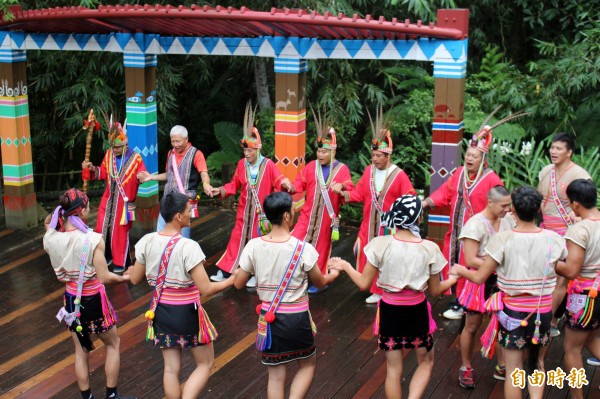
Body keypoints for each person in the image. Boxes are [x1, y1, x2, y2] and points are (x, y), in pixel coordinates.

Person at [329, 194, 457, 399]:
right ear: (419, 217)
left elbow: (363, 283)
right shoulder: (429, 248)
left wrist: (345, 266)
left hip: (389, 311)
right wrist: (455, 278)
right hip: (417, 311)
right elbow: (435, 291)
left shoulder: (380, 244)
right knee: (425, 362)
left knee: (393, 370)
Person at [452, 186, 567, 399]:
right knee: (537, 364)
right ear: (539, 208)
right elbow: (563, 267)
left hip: (513, 312)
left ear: (513, 209)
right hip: (542, 311)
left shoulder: (503, 239)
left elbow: (478, 276)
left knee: (514, 371)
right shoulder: (554, 239)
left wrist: (459, 270)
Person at [127, 192, 234, 399]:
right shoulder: (188, 247)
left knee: (170, 368)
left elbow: (134, 279)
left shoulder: (147, 241)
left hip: (160, 311)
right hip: (186, 312)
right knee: (205, 363)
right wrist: (231, 279)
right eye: (188, 211)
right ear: (178, 216)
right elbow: (206, 289)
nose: (190, 215)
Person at [234, 191, 340, 399]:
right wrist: (335, 273)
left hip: (269, 320)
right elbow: (320, 282)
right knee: (307, 364)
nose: (295, 214)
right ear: (286, 216)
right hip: (297, 319)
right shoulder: (303, 249)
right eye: (293, 210)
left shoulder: (253, 246)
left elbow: (238, 283)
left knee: (275, 376)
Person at [43, 188, 135, 399]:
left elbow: (48, 223)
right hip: (93, 298)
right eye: (88, 208)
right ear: (82, 211)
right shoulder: (92, 239)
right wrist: (125, 277)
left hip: (70, 300)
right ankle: (111, 396)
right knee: (113, 344)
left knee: (81, 351)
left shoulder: (50, 238)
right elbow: (104, 277)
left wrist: (59, 213)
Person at [423, 115, 505, 320]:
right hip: (457, 231)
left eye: (474, 156)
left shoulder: (492, 179)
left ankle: (466, 303)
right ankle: (459, 299)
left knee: (470, 264)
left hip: (479, 234)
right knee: (455, 262)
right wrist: (425, 203)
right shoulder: (459, 173)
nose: (469, 159)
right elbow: (444, 193)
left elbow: (501, 204)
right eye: (468, 154)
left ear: (483, 159)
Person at [210, 103, 294, 287]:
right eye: (245, 150)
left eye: (250, 150)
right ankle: (227, 270)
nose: (246, 154)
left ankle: (257, 274)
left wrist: (286, 183)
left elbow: (278, 180)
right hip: (243, 212)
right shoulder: (242, 165)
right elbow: (234, 184)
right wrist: (221, 190)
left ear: (258, 149)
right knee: (237, 239)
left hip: (261, 215)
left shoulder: (268, 165)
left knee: (258, 243)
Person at [339, 106, 415, 303]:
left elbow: (410, 198)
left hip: (389, 228)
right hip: (368, 225)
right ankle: (374, 288)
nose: (374, 159)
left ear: (388, 155)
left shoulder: (398, 175)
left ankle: (383, 290)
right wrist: (342, 193)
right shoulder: (368, 171)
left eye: (378, 156)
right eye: (373, 156)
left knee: (386, 258)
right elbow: (358, 194)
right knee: (366, 252)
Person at [456, 185, 514, 388]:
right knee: (471, 325)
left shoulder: (507, 220)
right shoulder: (474, 225)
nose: (508, 210)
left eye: (509, 205)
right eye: (504, 206)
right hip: (480, 282)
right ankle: (466, 366)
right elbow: (470, 259)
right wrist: (498, 263)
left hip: (502, 280)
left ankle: (502, 365)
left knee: (502, 324)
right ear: (490, 202)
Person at [291, 108, 354, 294]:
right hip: (307, 215)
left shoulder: (342, 170)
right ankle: (296, 275)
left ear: (333, 151)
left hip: (327, 219)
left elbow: (351, 189)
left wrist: (342, 187)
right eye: (318, 151)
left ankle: (319, 280)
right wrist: (289, 188)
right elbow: (298, 184)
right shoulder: (311, 166)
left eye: (324, 152)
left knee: (321, 247)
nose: (320, 155)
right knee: (296, 242)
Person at [537, 133, 592, 337]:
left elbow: (586, 205)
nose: (553, 151)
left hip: (567, 232)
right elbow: (539, 199)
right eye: (552, 147)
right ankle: (543, 316)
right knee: (544, 276)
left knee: (560, 278)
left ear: (569, 152)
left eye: (559, 148)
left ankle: (548, 320)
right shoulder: (545, 171)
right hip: (545, 231)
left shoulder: (580, 174)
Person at [555, 179, 600, 399]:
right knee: (592, 339)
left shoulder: (579, 230)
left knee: (572, 349)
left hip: (585, 296)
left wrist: (550, 260)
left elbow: (572, 271)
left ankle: (577, 397)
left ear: (575, 204)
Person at [82, 120, 146, 273]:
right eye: (113, 147)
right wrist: (92, 168)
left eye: (118, 147)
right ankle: (105, 256)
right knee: (102, 228)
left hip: (125, 204)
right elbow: (102, 173)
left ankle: (121, 262)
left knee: (120, 232)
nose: (115, 150)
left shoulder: (136, 158)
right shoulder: (109, 155)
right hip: (108, 199)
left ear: (125, 144)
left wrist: (142, 176)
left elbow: (141, 174)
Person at [138, 125, 214, 239]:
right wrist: (151, 177)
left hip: (184, 201)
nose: (175, 144)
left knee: (183, 236)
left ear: (186, 139)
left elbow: (203, 173)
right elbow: (169, 175)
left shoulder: (196, 154)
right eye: (173, 141)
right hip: (168, 200)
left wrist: (206, 184)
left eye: (178, 141)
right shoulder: (171, 153)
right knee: (161, 233)